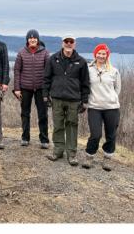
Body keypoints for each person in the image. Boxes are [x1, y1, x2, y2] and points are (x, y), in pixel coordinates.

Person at [44, 34, 91, 166]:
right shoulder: (53, 59)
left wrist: (84, 101)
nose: (68, 44)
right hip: (57, 98)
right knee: (58, 125)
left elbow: (85, 83)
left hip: (73, 99)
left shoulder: (81, 62)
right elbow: (46, 78)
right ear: (62, 43)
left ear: (74, 44)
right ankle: (58, 151)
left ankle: (71, 154)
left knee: (72, 126)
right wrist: (45, 95)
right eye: (66, 41)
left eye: (71, 42)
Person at [82, 44, 121, 171]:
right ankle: (89, 156)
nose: (101, 56)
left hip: (112, 107)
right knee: (96, 134)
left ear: (107, 55)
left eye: (104, 54)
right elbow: (85, 86)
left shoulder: (113, 71)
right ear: (95, 54)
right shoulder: (88, 69)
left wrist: (111, 99)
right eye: (99, 53)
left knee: (111, 135)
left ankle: (107, 158)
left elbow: (117, 89)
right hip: (94, 107)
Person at [12, 30, 50, 149]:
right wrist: (17, 88)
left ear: (38, 40)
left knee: (43, 114)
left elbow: (49, 72)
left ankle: (44, 139)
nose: (32, 40)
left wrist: (47, 89)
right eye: (30, 38)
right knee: (25, 113)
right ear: (27, 40)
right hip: (25, 88)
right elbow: (17, 71)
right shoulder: (22, 52)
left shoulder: (45, 53)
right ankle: (25, 138)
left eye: (34, 38)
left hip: (41, 88)